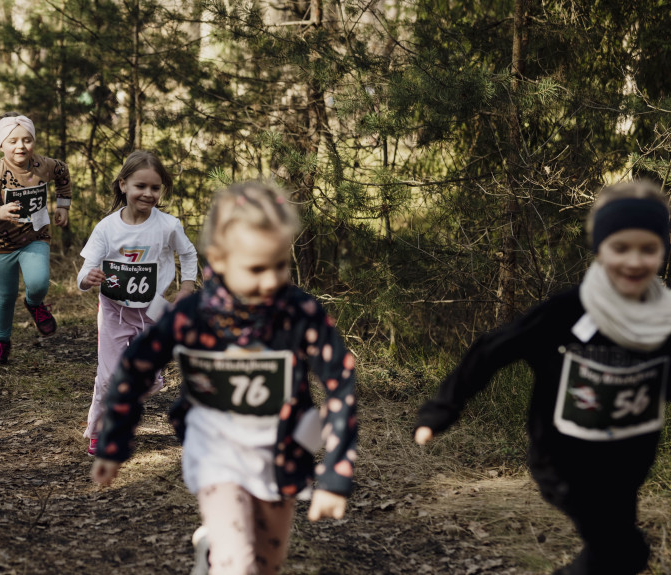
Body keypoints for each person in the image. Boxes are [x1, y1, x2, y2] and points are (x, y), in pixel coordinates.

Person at [91, 181, 357, 575]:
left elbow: (339, 382)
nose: (271, 281)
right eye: (255, 269)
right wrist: (114, 441)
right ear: (219, 259)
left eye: (280, 265)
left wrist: (336, 471)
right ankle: (224, 556)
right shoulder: (192, 315)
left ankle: (214, 553)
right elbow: (134, 369)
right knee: (240, 566)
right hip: (215, 451)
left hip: (282, 453)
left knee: (267, 564)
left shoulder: (300, 313)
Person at [414, 180, 671, 575]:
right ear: (600, 249)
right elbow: (491, 349)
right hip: (564, 461)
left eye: (647, 249)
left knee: (614, 558)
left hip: (626, 463)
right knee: (625, 551)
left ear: (662, 251)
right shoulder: (566, 313)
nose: (634, 261)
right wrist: (441, 410)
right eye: (621, 247)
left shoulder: (663, 324)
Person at [77, 150, 198, 455]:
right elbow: (85, 270)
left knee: (145, 381)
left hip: (153, 311)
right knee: (107, 378)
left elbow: (189, 254)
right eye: (140, 186)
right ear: (123, 185)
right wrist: (86, 280)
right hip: (114, 311)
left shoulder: (168, 225)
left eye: (155, 188)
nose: (147, 193)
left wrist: (186, 286)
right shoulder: (106, 228)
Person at [0, 113, 72, 364]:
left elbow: (62, 172)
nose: (20, 146)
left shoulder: (43, 165)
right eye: (13, 140)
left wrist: (63, 205)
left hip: (36, 236)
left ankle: (34, 303)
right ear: (1, 144)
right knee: (5, 295)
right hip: (2, 244)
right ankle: (1, 340)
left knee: (39, 283)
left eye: (27, 140)